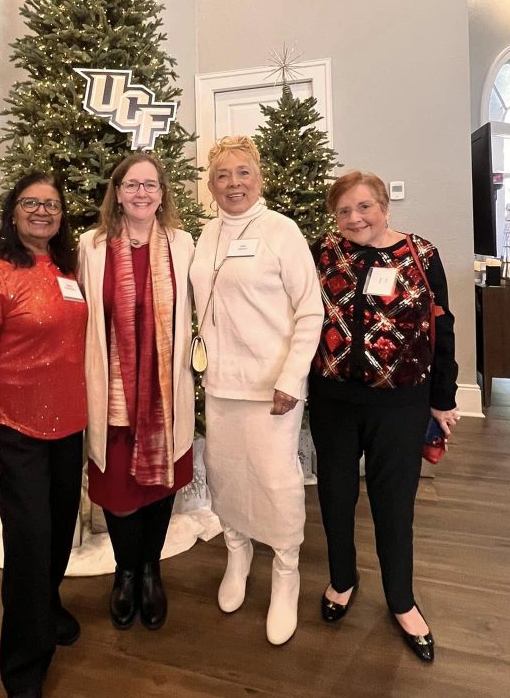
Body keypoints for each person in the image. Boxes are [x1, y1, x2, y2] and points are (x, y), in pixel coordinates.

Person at [309, 170, 460, 664]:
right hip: (333, 398)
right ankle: (342, 579)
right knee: (335, 494)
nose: (354, 218)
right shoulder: (323, 252)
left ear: (384, 207)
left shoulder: (421, 254)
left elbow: (443, 326)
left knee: (394, 502)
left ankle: (402, 600)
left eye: (364, 207)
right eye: (344, 211)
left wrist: (444, 396)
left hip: (400, 400)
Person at [0, 171, 87, 698]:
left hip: (69, 428)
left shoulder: (66, 272)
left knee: (59, 533)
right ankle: (23, 676)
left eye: (52, 204)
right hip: (16, 430)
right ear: (13, 213)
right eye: (31, 203)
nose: (42, 211)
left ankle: (49, 605)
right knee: (30, 543)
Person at [189, 135, 323, 646]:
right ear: (211, 185)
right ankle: (237, 552)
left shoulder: (280, 231)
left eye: (242, 172)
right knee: (226, 474)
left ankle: (286, 572)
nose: (233, 184)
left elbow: (310, 309)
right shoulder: (206, 234)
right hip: (221, 384)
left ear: (259, 178)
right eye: (222, 175)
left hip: (273, 388)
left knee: (275, 480)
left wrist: (292, 378)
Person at [79, 152, 195, 632]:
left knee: (160, 484)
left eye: (150, 184)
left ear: (162, 193)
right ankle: (125, 571)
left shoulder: (185, 244)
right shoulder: (92, 246)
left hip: (167, 392)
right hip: (113, 392)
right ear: (118, 192)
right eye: (132, 184)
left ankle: (151, 569)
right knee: (119, 488)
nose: (141, 192)